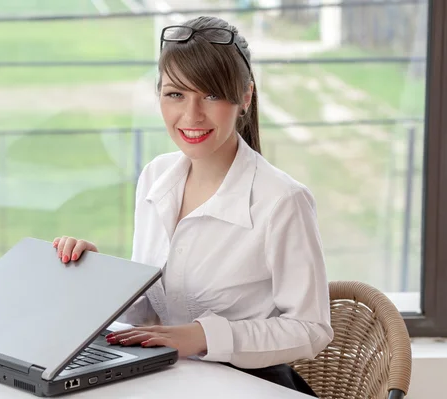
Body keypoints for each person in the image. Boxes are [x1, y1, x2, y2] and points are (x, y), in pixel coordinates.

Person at [52, 16, 333, 396]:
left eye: (212, 95)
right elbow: (150, 313)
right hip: (168, 381)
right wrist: (99, 277)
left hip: (248, 386)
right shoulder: (156, 177)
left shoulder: (283, 200)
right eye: (175, 94)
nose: (192, 115)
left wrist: (203, 336)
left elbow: (311, 330)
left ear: (245, 98)